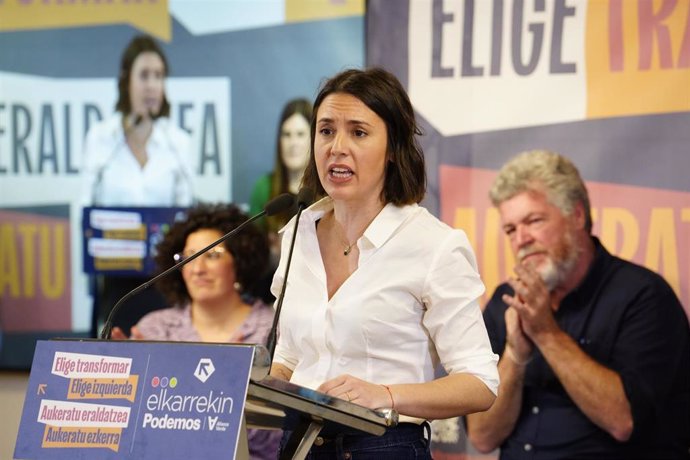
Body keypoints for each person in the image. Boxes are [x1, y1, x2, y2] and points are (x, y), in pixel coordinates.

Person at [269, 68, 499, 458]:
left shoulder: (434, 245)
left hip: (383, 446)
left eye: (358, 132)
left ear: (393, 148)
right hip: (299, 445)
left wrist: (385, 395)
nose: (336, 147)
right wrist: (263, 386)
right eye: (326, 131)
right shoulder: (297, 234)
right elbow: (289, 357)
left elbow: (479, 382)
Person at [465, 150, 690, 459]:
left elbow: (623, 421)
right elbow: (482, 436)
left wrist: (546, 333)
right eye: (511, 229)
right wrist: (515, 355)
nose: (522, 239)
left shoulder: (644, 296)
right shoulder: (506, 300)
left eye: (533, 220)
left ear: (577, 216)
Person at [111, 203, 281, 460]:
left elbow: (280, 433)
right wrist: (124, 379)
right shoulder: (155, 329)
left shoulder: (271, 331)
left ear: (240, 261)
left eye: (211, 255)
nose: (197, 269)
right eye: (188, 257)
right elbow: (134, 429)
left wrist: (228, 393)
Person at [80, 34, 195, 337]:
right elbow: (85, 209)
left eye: (159, 76)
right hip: (115, 280)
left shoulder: (178, 142)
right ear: (125, 80)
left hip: (162, 280)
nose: (152, 85)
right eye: (144, 75)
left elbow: (186, 213)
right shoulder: (101, 138)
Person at [250, 98, 312, 303]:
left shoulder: (327, 191)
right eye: (286, 135)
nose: (293, 143)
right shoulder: (264, 187)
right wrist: (269, 253)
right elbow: (251, 255)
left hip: (312, 294)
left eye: (300, 134)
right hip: (268, 296)